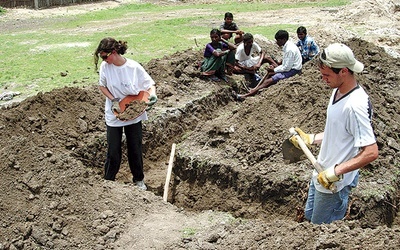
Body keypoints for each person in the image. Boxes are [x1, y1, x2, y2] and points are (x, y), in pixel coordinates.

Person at [289, 43, 379, 224]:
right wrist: (311, 138)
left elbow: (371, 152)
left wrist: (335, 172)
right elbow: (339, 132)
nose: (323, 79)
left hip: (333, 185)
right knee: (309, 219)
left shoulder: (355, 106)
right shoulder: (337, 91)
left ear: (344, 71)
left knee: (320, 230)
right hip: (320, 173)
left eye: (327, 75)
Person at [94, 37, 158, 191]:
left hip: (132, 112)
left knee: (135, 147)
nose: (104, 60)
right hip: (115, 112)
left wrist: (153, 95)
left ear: (114, 52)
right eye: (102, 57)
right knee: (113, 150)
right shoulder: (105, 67)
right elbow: (102, 86)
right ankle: (108, 181)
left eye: (105, 56)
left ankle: (138, 180)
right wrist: (113, 99)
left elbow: (150, 85)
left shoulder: (133, 67)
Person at [234, 30, 302, 101]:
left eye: (278, 40)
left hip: (293, 71)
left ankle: (246, 95)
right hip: (291, 68)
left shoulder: (289, 50)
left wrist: (274, 69)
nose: (276, 42)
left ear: (284, 39)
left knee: (270, 80)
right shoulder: (288, 46)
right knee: (269, 73)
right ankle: (255, 89)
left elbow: (287, 68)